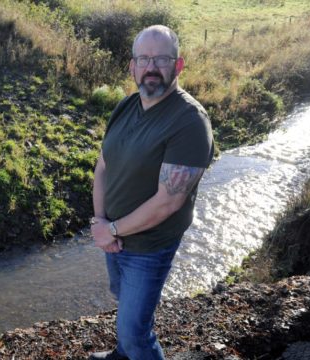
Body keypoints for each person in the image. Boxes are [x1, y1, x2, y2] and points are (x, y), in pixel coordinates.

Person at [89, 25, 214, 360]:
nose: (151, 67)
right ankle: (121, 355)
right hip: (112, 237)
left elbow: (168, 202)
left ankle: (129, 349)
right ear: (132, 66)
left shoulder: (189, 121)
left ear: (178, 65)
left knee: (136, 333)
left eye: (161, 58)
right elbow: (103, 166)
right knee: (124, 303)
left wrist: (111, 230)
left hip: (148, 247)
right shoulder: (126, 106)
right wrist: (101, 224)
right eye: (143, 58)